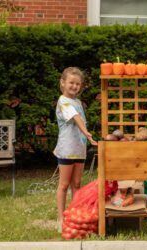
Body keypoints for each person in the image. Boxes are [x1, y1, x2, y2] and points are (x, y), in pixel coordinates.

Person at [53, 67, 97, 232]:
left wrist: (86, 138)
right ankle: (61, 218)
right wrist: (86, 132)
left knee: (77, 184)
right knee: (64, 184)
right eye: (71, 83)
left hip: (79, 149)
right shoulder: (63, 101)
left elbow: (79, 117)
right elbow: (75, 118)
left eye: (78, 84)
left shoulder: (78, 102)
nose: (74, 86)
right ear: (63, 83)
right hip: (66, 148)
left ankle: (74, 215)